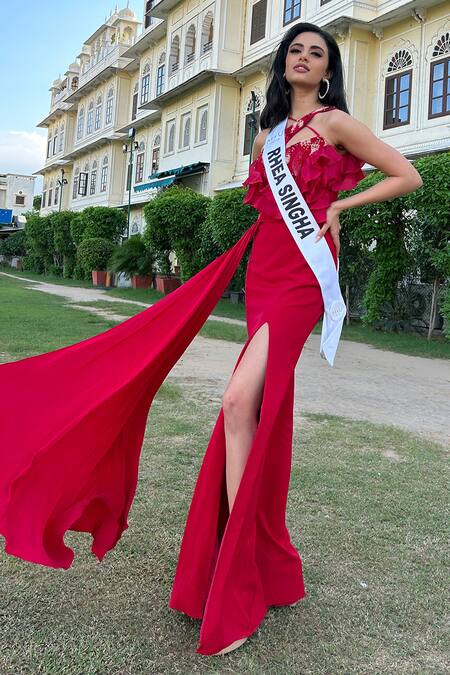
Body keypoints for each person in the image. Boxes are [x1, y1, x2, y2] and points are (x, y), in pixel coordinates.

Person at [0, 22, 422, 660]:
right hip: (265, 268)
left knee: (236, 403)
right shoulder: (266, 137)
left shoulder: (336, 123)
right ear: (283, 65)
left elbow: (406, 174)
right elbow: (266, 204)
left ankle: (239, 562)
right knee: (254, 409)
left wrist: (340, 208)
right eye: (296, 50)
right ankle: (256, 554)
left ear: (328, 70)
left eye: (317, 53)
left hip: (302, 276)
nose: (305, 58)